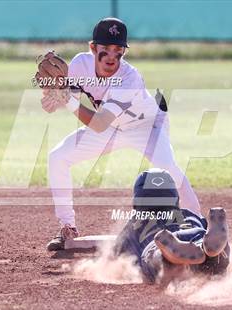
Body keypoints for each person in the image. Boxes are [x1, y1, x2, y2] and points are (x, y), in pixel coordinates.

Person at [42, 17, 201, 251]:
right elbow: (66, 100)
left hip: (145, 126)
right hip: (112, 127)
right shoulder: (79, 64)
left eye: (118, 51)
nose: (111, 58)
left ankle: (198, 227)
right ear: (92, 48)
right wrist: (52, 96)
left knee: (171, 171)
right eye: (105, 50)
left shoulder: (129, 78)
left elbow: (98, 124)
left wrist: (65, 100)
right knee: (58, 157)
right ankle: (68, 228)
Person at [113, 168, 230, 283]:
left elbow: (118, 252)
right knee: (203, 242)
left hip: (161, 242)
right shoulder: (186, 213)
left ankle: (168, 258)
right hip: (194, 233)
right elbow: (203, 225)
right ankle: (213, 256)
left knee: (152, 256)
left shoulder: (135, 223)